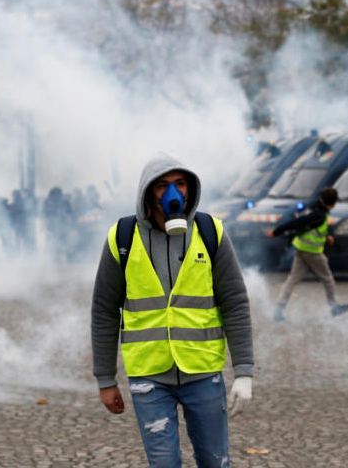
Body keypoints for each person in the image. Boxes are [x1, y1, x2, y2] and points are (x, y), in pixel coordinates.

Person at [91, 153, 254, 468]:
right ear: (147, 191)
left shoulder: (211, 232)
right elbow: (104, 310)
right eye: (162, 185)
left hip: (202, 372)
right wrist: (105, 379)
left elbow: (235, 302)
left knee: (214, 462)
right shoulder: (122, 238)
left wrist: (244, 372)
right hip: (149, 375)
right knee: (164, 463)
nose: (172, 193)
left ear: (190, 188)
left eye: (180, 183)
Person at [267, 187, 348, 321]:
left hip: (301, 249)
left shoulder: (315, 209)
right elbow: (297, 223)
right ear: (333, 203)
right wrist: (277, 231)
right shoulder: (320, 215)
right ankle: (333, 306)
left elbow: (313, 228)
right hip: (312, 252)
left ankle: (279, 309)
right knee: (328, 279)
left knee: (292, 279)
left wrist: (327, 236)